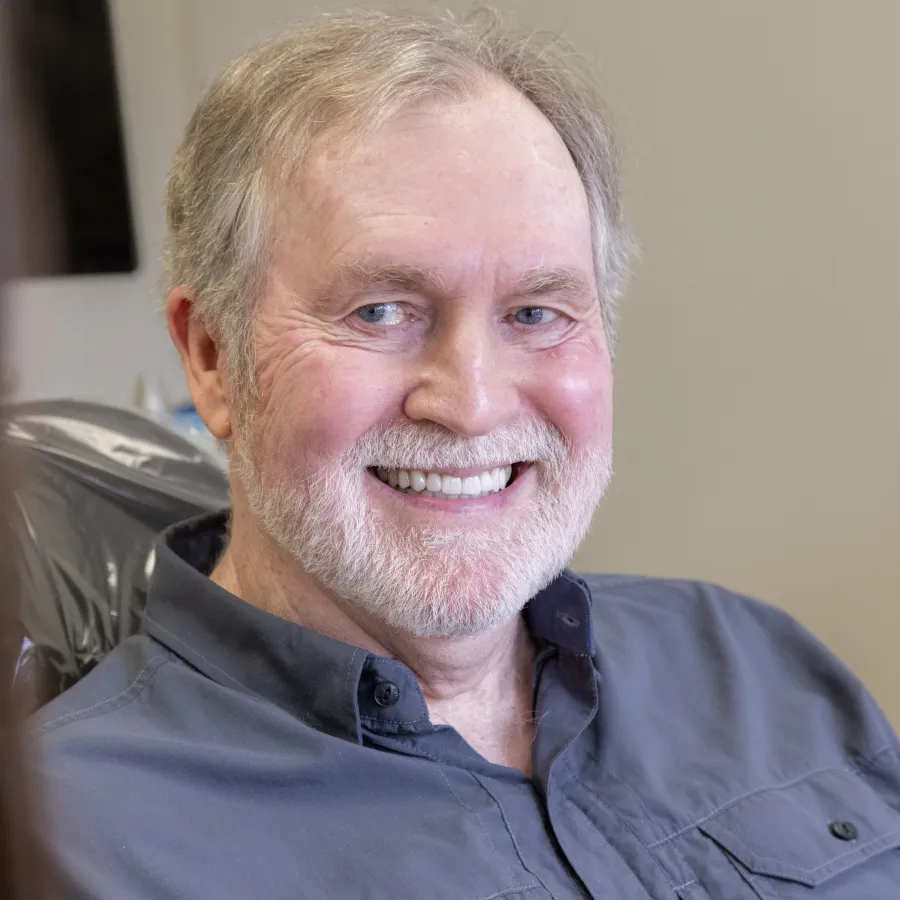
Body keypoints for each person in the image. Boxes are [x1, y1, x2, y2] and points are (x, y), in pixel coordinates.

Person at [35, 10, 900, 899]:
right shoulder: (65, 847)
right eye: (380, 311)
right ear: (212, 357)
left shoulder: (755, 663)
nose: (472, 405)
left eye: (536, 313)